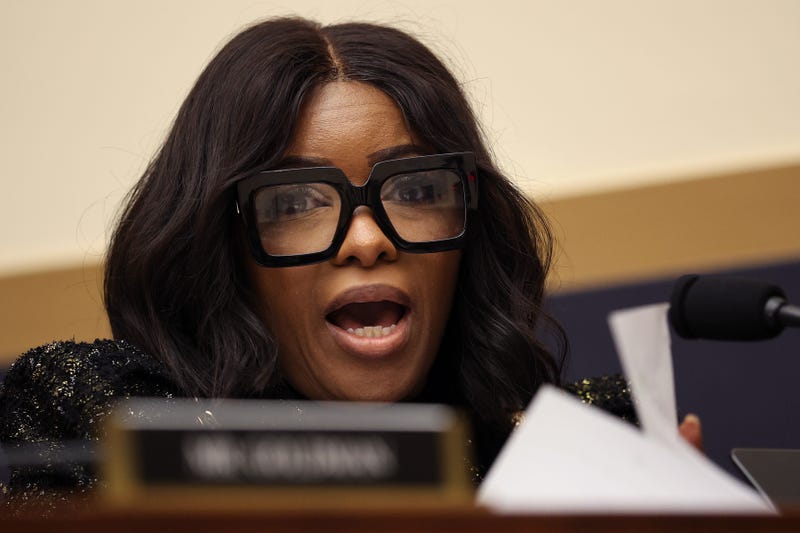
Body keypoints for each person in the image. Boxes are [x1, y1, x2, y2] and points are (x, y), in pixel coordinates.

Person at [0, 17, 673, 509]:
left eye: (413, 190)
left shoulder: (574, 454)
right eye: (295, 201)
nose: (366, 240)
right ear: (222, 250)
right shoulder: (108, 425)